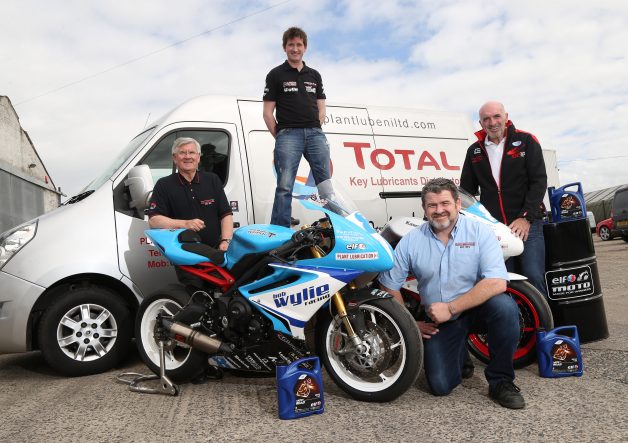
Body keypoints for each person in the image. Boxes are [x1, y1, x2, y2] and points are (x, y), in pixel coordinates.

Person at [379, 178, 525, 409]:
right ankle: (460, 353)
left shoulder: (480, 232)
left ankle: (501, 381)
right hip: (439, 319)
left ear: (458, 204)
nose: (439, 210)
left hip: (476, 310)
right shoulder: (411, 241)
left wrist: (451, 308)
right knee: (440, 386)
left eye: (445, 203)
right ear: (424, 208)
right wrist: (412, 323)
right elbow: (389, 286)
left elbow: (497, 282)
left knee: (505, 308)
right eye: (432, 205)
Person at [460, 101, 548, 297]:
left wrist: (526, 217)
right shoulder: (474, 151)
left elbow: (539, 181)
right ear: (481, 123)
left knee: (532, 275)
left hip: (527, 223)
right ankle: (515, 326)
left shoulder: (526, 140)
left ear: (506, 117)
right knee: (502, 279)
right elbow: (466, 191)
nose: (492, 122)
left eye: (496, 116)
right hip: (494, 227)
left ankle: (544, 326)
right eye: (486, 119)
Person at [263, 26, 330, 227]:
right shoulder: (275, 74)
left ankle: (336, 228)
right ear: (284, 48)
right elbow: (267, 114)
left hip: (315, 134)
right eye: (291, 44)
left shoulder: (314, 75)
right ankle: (281, 231)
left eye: (298, 44)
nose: (295, 48)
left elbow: (322, 109)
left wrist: (314, 129)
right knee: (284, 187)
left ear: (305, 47)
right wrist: (282, 136)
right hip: (288, 134)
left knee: (326, 186)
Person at [148, 136, 233, 252]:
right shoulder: (164, 185)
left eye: (192, 152)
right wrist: (185, 224)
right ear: (174, 158)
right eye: (182, 153)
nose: (187, 156)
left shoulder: (212, 180)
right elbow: (154, 221)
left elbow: (226, 214)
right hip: (183, 254)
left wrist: (225, 241)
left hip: (217, 251)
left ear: (198, 157)